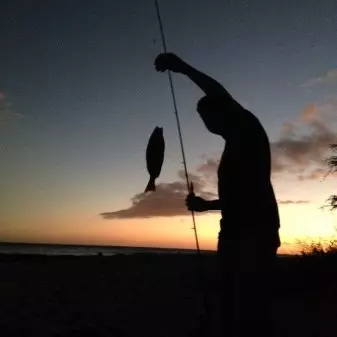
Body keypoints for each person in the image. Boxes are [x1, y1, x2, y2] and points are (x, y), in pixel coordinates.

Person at [154, 53, 281, 337]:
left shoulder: (248, 130)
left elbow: (218, 91)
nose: (206, 122)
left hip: (256, 233)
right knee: (231, 298)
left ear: (222, 112)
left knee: (252, 305)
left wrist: (183, 67)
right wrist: (205, 205)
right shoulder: (231, 146)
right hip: (234, 232)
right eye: (202, 117)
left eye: (207, 115)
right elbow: (241, 197)